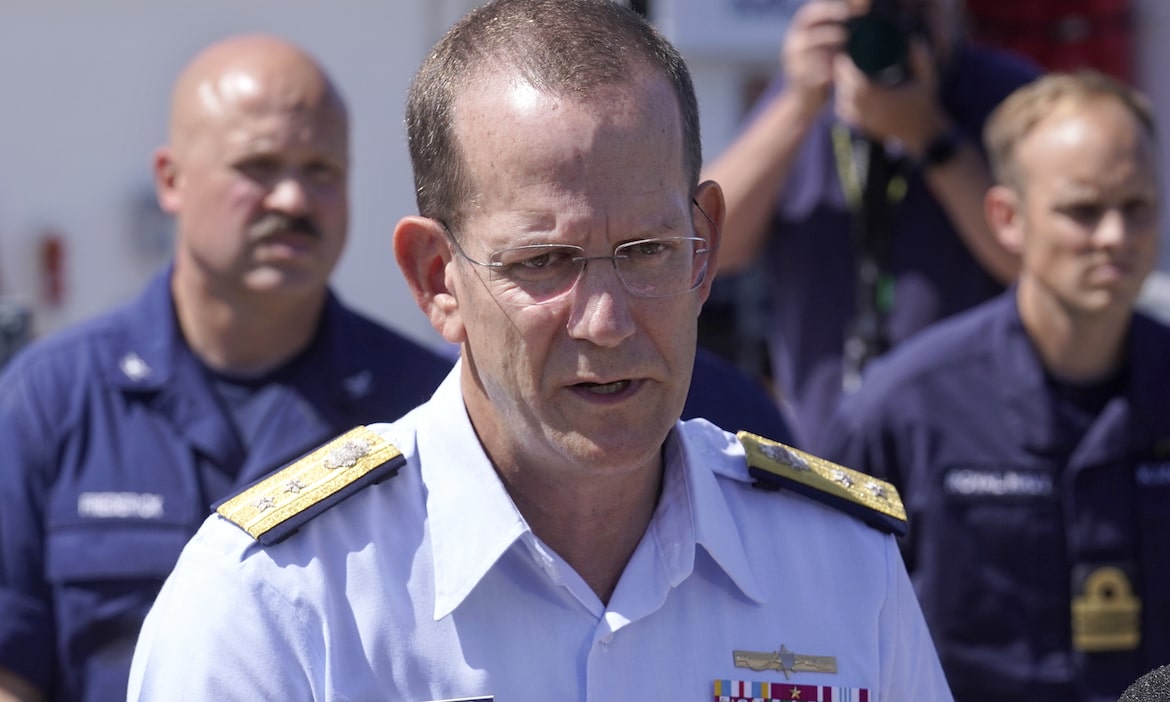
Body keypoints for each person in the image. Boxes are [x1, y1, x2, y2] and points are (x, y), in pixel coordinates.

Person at [126, 1, 953, 700]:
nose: (606, 321)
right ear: (437, 278)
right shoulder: (279, 602)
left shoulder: (842, 568)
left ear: (704, 249)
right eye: (545, 262)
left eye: (648, 251)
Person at [0, 34, 453, 702]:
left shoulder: (425, 404)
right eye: (258, 166)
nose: (293, 199)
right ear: (171, 180)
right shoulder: (51, 399)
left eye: (322, 170)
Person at [821, 71, 1170, 701]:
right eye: (1083, 211)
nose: (1115, 237)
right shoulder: (906, 409)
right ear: (1008, 218)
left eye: (1137, 207)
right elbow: (826, 616)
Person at [703, 0, 1039, 450]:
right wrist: (797, 105)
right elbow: (706, 248)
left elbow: (1038, 264)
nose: (892, 35)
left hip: (971, 445)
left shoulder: (1007, 95)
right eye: (870, 15)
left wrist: (931, 137)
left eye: (911, 11)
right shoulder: (806, 98)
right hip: (824, 445)